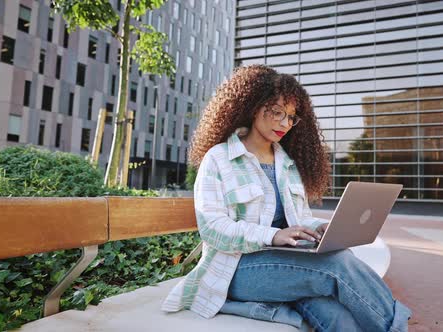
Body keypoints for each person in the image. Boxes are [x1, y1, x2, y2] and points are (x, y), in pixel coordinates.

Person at [162, 65, 411, 331]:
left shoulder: (287, 164)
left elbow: (299, 217)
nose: (285, 123)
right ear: (253, 106)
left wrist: (317, 228)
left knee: (339, 317)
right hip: (235, 270)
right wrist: (272, 235)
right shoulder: (219, 158)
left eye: (291, 117)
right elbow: (212, 229)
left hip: (285, 266)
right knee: (338, 264)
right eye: (277, 112)